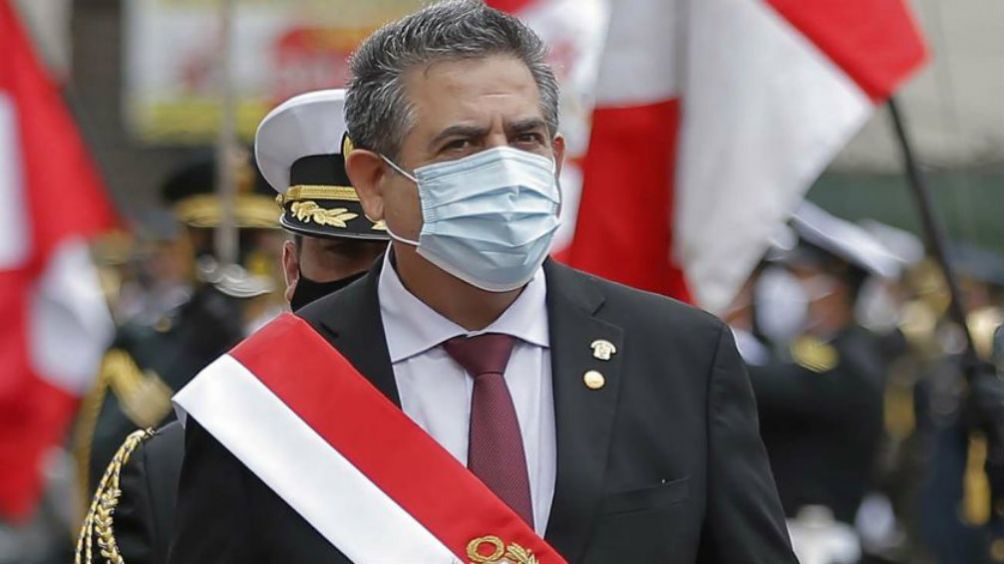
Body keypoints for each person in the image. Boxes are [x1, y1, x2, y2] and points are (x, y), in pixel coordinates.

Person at [169, 3, 796, 562]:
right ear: (372, 182)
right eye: (461, 144)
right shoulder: (269, 390)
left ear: (555, 157)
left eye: (525, 138)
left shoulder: (680, 355)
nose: (505, 167)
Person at [74, 89, 388, 564]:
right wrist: (190, 356)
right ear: (291, 265)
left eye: (391, 258)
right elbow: (115, 480)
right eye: (341, 253)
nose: (367, 284)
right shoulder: (153, 344)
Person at [744, 203, 901, 563]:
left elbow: (762, 384)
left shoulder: (846, 363)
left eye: (798, 274)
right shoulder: (822, 350)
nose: (780, 287)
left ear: (834, 288)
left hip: (813, 542)